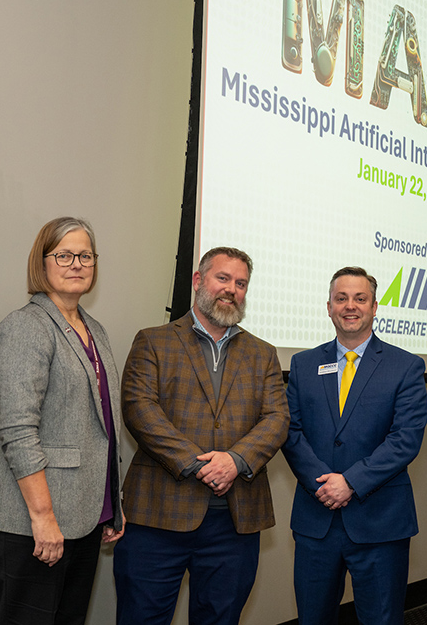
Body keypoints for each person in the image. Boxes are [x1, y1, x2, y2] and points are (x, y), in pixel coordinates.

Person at [113, 246, 289, 625]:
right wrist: (200, 465)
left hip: (234, 523)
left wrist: (235, 461)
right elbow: (140, 410)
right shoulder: (154, 341)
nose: (231, 289)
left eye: (240, 283)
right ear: (198, 281)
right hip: (158, 518)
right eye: (222, 278)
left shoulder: (264, 353)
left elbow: (277, 418)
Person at [0, 217, 124, 625]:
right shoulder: (26, 327)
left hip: (81, 518)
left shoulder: (94, 330)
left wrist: (109, 507)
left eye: (85, 256)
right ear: (42, 262)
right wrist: (43, 518)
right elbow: (18, 430)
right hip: (28, 523)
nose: (77, 263)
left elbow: (101, 424)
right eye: (65, 255)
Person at [282, 267, 427, 625]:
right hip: (316, 520)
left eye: (360, 298)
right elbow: (290, 431)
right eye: (341, 298)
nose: (351, 306)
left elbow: (405, 439)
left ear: (375, 307)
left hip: (380, 522)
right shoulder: (303, 364)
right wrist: (324, 482)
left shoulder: (406, 366)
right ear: (328, 307)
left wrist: (349, 482)